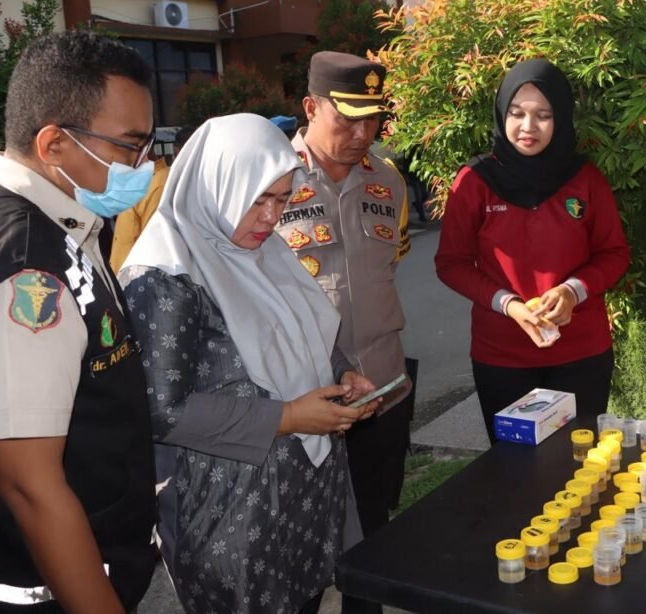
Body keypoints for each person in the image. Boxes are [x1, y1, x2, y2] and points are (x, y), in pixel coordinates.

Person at [120, 113, 380, 614]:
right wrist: (289, 418)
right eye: (257, 199)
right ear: (217, 185)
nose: (270, 218)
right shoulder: (166, 278)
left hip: (301, 489)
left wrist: (344, 373)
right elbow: (161, 411)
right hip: (231, 508)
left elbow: (307, 329)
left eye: (282, 200)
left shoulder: (267, 252)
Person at [0, 32, 157, 613]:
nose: (144, 167)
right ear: (54, 144)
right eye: (130, 147)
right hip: (44, 587)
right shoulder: (25, 265)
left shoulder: (58, 222)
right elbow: (30, 485)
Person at [277, 51, 413, 613]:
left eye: (373, 118)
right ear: (310, 107)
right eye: (347, 118)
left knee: (374, 542)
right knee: (299, 550)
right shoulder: (269, 180)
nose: (362, 133)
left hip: (383, 393)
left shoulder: (388, 181)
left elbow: (389, 269)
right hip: (303, 401)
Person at [435, 59, 630, 441]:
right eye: (517, 113)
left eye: (543, 115)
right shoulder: (475, 181)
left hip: (582, 352)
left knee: (581, 466)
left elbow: (614, 253)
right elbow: (451, 263)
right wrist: (508, 303)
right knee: (515, 472)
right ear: (501, 113)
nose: (528, 127)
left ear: (561, 119)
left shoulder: (586, 179)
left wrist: (571, 291)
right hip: (502, 355)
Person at [110, 126, 193, 272]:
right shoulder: (138, 180)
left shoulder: (159, 183)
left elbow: (154, 244)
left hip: (137, 279)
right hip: (123, 276)